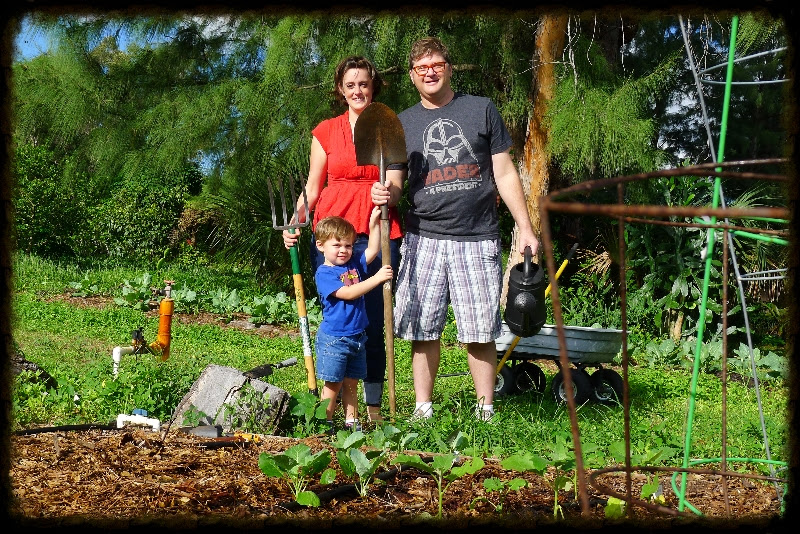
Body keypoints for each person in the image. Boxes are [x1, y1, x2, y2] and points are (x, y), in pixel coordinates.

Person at [372, 37, 539, 422]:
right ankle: (423, 409)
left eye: (436, 64)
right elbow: (397, 182)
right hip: (423, 237)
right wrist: (388, 193)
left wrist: (525, 227)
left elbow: (504, 172)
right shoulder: (402, 123)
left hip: (476, 236)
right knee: (421, 326)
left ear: (448, 67)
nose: (429, 72)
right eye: (421, 68)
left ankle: (485, 410)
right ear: (413, 76)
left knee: (480, 329)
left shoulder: (480, 109)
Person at [283, 56, 404, 423]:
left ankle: (374, 411)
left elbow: (396, 185)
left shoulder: (387, 127)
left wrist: (389, 195)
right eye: (350, 85)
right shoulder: (325, 131)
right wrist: (295, 223)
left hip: (376, 229)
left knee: (374, 321)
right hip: (334, 232)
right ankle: (331, 406)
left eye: (363, 84)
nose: (357, 91)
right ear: (340, 89)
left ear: (373, 86)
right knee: (341, 316)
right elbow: (312, 188)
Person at [313, 209, 394, 432]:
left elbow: (373, 249)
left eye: (348, 245)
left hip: (357, 337)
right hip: (335, 340)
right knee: (333, 383)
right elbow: (349, 293)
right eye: (337, 245)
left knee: (352, 382)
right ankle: (324, 422)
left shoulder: (353, 265)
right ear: (321, 246)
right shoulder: (325, 273)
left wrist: (373, 224)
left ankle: (352, 421)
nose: (343, 250)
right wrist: (377, 279)